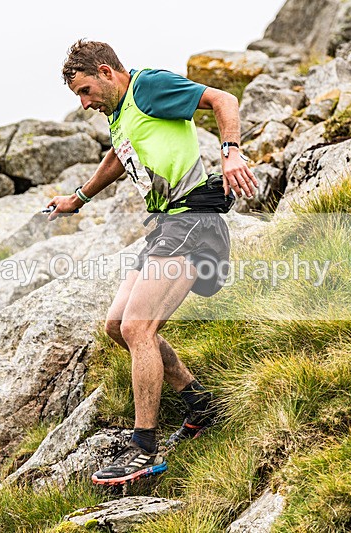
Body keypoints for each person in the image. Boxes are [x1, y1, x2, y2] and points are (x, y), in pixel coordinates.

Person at [46, 39, 258, 486]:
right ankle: (199, 402)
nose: (84, 104)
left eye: (85, 91)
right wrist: (78, 198)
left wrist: (232, 151)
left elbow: (223, 99)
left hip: (194, 220)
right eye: (78, 98)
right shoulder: (120, 114)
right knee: (116, 324)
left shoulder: (149, 88)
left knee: (137, 328)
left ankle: (145, 447)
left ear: (106, 72)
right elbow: (118, 158)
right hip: (168, 226)